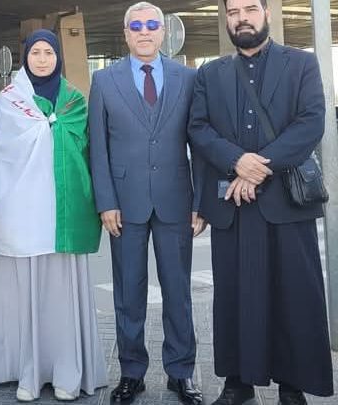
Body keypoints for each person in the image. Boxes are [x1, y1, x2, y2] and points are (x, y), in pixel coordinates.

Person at [188, 0, 334, 403]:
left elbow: (310, 122)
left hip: (286, 203)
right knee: (235, 297)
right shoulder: (210, 74)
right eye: (234, 12)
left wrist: (256, 168)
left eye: (250, 9)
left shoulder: (301, 64)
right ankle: (238, 384)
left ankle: (293, 387)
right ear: (227, 19)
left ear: (267, 13)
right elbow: (199, 128)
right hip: (232, 208)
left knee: (294, 296)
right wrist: (236, 161)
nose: (242, 19)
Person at [89, 2, 205, 404]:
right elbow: (98, 149)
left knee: (178, 292)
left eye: (151, 24)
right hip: (124, 205)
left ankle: (181, 372)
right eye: (135, 25)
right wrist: (106, 202)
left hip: (176, 201)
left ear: (163, 32)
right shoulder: (104, 81)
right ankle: (131, 373)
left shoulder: (188, 78)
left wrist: (200, 201)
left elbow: (199, 144)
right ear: (125, 34)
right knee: (128, 294)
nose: (144, 31)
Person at [0, 29, 108, 402]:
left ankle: (68, 371)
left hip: (65, 213)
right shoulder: (11, 99)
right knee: (30, 295)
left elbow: (86, 152)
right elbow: (2, 152)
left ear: (58, 57)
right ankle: (31, 371)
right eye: (35, 52)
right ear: (25, 57)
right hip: (26, 213)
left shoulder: (74, 102)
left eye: (49, 52)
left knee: (63, 296)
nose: (42, 59)